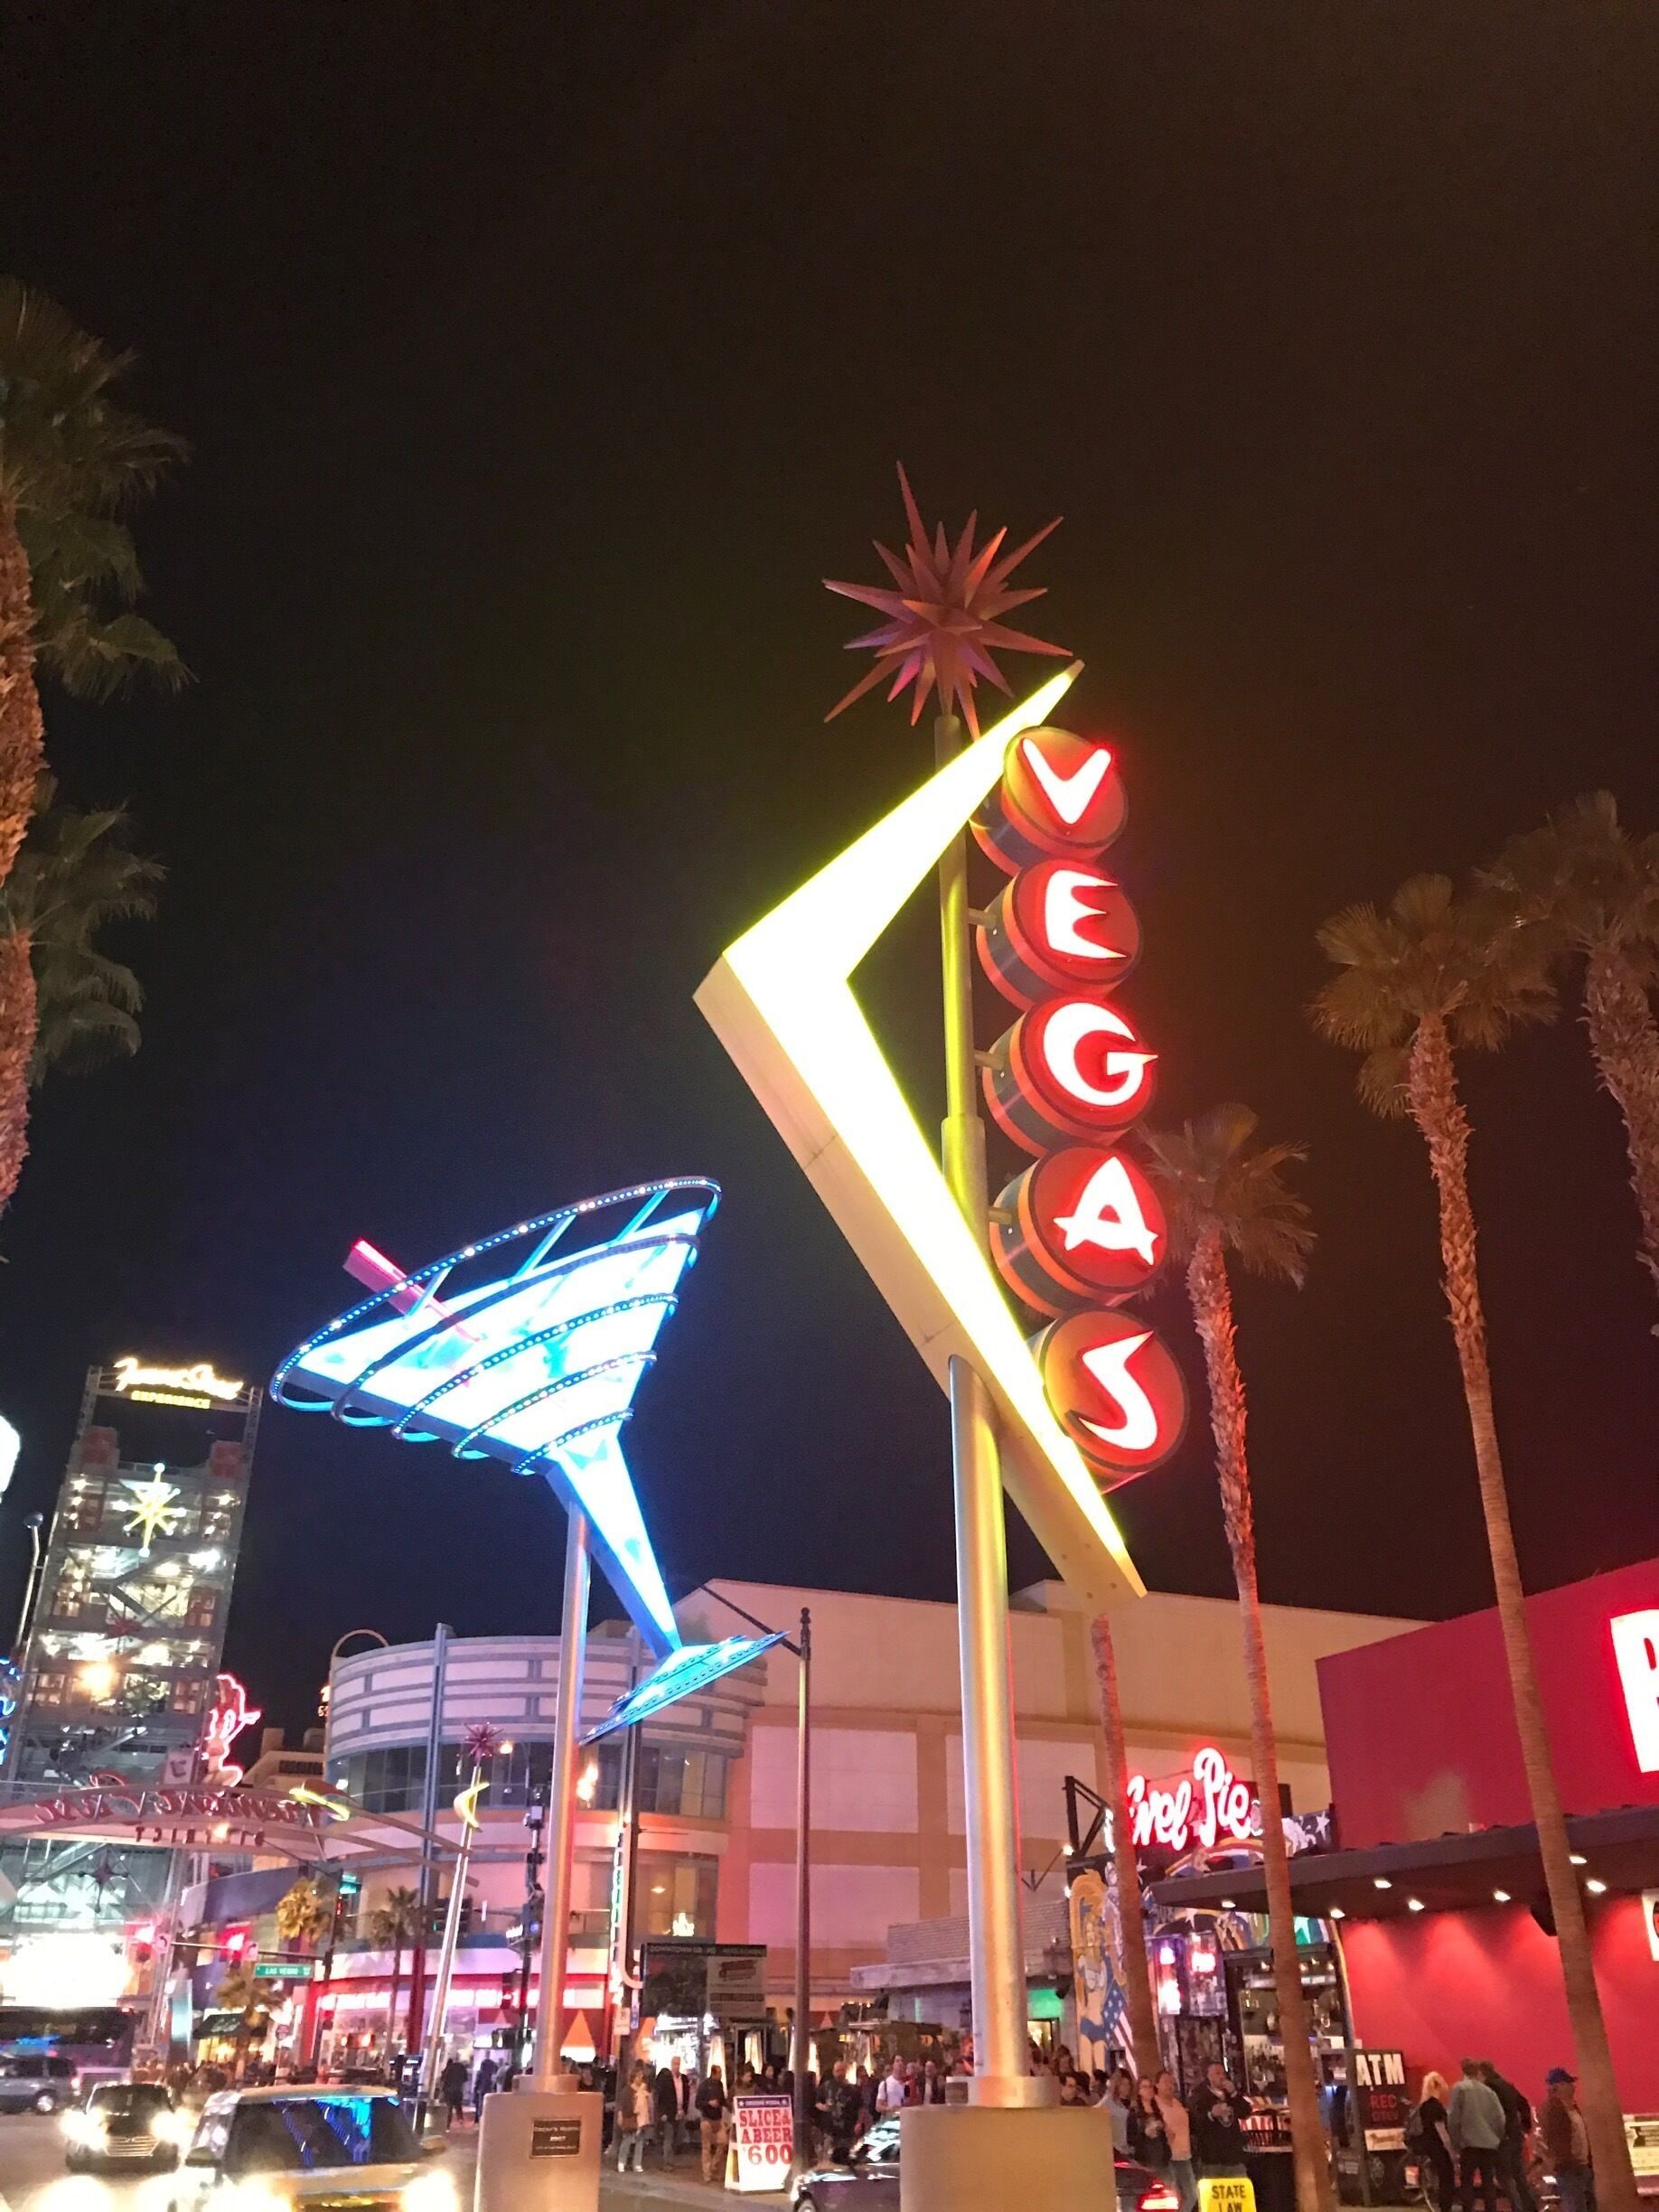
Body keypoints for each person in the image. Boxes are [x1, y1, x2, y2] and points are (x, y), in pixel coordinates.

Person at [1448, 2057, 1505, 2212]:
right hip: (1489, 2144)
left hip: (1469, 2144)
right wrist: (1497, 2137)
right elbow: (1500, 2118)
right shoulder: (1489, 2092)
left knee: (1467, 2181)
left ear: (1463, 2070)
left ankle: (1468, 2210)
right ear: (1478, 2071)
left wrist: (1455, 2142)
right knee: (1488, 2182)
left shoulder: (1459, 2089)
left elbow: (1453, 2118)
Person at [1479, 2062, 1537, 2212]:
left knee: (1505, 2176)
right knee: (1519, 2175)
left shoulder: (1489, 2089)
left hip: (1503, 2138)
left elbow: (1494, 2115)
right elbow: (1523, 2104)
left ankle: (1517, 2208)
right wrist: (1525, 2127)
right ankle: (1530, 2207)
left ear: (1482, 2074)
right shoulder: (1507, 2085)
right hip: (1515, 2134)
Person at [1539, 2068, 1592, 2212]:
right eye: (1569, 2083)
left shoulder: (1573, 2108)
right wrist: (1562, 2160)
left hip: (1582, 2165)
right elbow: (1554, 2138)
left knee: (1584, 2204)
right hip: (1569, 2166)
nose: (1573, 2086)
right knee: (1575, 2205)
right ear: (1559, 2086)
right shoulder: (1554, 2109)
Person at [1188, 2061, 1251, 2177]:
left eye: (1223, 2073)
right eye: (1217, 2073)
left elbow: (1246, 2112)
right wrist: (1211, 2114)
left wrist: (1234, 2094)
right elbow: (1194, 2122)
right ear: (1209, 2076)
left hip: (1234, 2157)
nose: (1222, 2077)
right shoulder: (1199, 2095)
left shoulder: (1230, 2095)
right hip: (1212, 2158)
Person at [1410, 2070, 1457, 2212]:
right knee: (1447, 2177)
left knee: (1440, 2176)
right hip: (1438, 2147)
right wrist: (1452, 2151)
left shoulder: (1423, 2106)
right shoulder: (1435, 2106)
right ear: (1438, 2086)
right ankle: (1445, 2207)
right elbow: (1442, 2132)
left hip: (1428, 2146)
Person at [1157, 2071, 1197, 2212]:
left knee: (1191, 2195)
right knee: (1172, 2197)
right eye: (1166, 2082)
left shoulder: (1177, 2103)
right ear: (1157, 2085)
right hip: (1168, 2157)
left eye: (1172, 2083)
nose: (1170, 2086)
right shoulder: (1156, 2103)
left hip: (1184, 2155)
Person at [616, 2061, 651, 2173]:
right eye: (639, 2076)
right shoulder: (627, 2090)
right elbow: (622, 2104)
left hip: (641, 2118)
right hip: (630, 2117)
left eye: (641, 2076)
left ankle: (637, 2163)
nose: (640, 2078)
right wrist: (621, 2115)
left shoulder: (643, 2090)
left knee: (640, 2141)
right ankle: (621, 2162)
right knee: (627, 2139)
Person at [696, 2065, 729, 2184]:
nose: (721, 2075)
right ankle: (707, 2174)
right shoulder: (704, 2085)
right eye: (719, 2073)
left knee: (723, 2142)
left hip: (718, 2120)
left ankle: (713, 2166)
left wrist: (731, 2106)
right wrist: (709, 2103)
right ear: (714, 2073)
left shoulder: (720, 2085)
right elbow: (697, 2103)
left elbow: (723, 2100)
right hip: (707, 2119)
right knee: (706, 2147)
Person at [1130, 2074, 1171, 2170]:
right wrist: (1144, 2132)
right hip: (1145, 2157)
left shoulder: (1156, 2110)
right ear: (1139, 2091)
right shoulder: (1135, 2111)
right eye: (1144, 2087)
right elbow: (1131, 2137)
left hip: (1160, 2154)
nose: (1148, 2090)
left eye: (1150, 2087)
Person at [439, 2054, 467, 2131]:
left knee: (450, 2108)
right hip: (458, 2090)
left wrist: (443, 2090)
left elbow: (444, 2079)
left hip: (449, 2091)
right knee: (458, 2106)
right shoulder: (461, 2067)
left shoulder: (449, 2068)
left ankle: (448, 2126)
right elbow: (465, 2079)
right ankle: (460, 2120)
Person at [472, 2052, 497, 2123]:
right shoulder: (492, 2073)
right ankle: (485, 2119)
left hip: (481, 2091)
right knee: (488, 2106)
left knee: (480, 2105)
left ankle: (480, 2119)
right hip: (490, 2091)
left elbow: (477, 2083)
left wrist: (475, 2090)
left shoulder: (480, 2072)